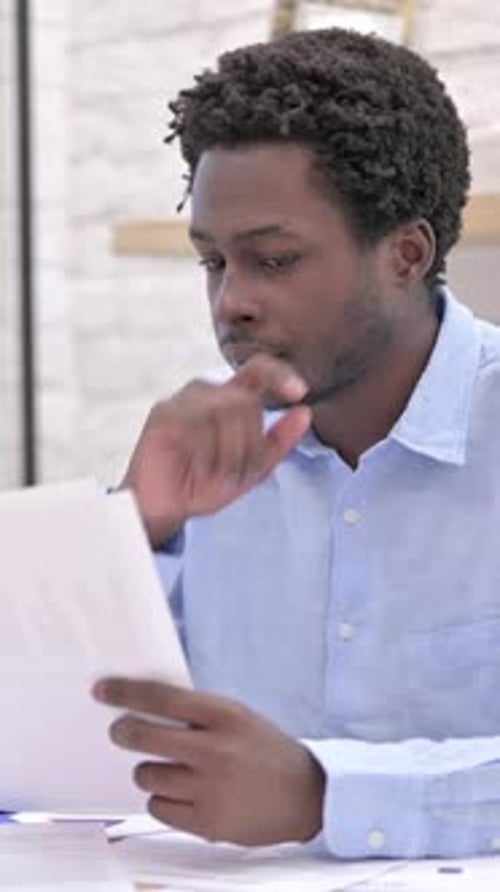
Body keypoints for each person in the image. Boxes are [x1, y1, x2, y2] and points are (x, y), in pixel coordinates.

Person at [92, 27, 500, 859]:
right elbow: (59, 736)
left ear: (406, 254)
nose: (231, 302)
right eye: (213, 262)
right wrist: (134, 529)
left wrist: (325, 795)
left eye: (274, 260)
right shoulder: (203, 450)